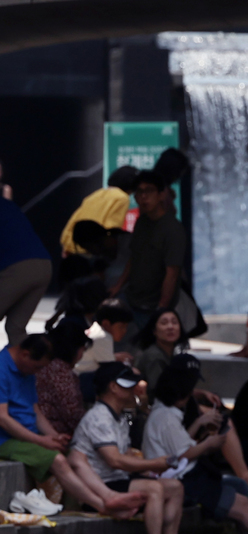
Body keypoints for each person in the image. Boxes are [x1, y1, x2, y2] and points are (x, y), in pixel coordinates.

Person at [0, 335, 143, 516]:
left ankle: (108, 495)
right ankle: (102, 505)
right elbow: (3, 418)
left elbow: (34, 411)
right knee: (57, 459)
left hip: (28, 434)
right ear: (25, 354)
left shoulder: (27, 371)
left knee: (75, 455)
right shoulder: (2, 368)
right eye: (38, 367)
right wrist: (41, 441)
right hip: (5, 439)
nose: (38, 372)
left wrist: (53, 436)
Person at [142, 367, 248, 534]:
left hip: (186, 473)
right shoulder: (166, 417)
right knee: (241, 504)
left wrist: (199, 423)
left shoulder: (165, 413)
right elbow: (182, 455)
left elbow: (178, 447)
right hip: (184, 478)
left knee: (240, 489)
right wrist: (209, 444)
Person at [70, 362, 185, 534]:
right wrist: (155, 463)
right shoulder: (99, 417)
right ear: (114, 387)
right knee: (153, 488)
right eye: (129, 384)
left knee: (175, 488)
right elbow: (114, 460)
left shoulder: (119, 417)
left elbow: (127, 453)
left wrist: (149, 468)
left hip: (119, 479)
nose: (135, 389)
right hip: (102, 484)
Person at [110, 170, 183, 343]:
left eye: (149, 191)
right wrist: (118, 285)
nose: (144, 197)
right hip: (133, 297)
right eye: (139, 192)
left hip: (153, 304)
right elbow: (134, 257)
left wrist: (162, 308)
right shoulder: (142, 222)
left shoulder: (172, 229)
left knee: (150, 350)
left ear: (160, 195)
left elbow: (172, 272)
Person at [0, 192, 51, 347]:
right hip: (44, 265)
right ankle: (27, 371)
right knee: (16, 329)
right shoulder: (7, 204)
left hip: (17, 268)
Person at [59, 166, 137, 257]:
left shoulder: (96, 194)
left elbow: (74, 220)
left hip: (74, 247)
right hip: (92, 251)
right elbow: (113, 227)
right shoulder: (122, 197)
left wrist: (67, 247)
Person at [35, 317, 90, 437]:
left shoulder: (45, 364)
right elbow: (72, 414)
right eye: (82, 349)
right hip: (53, 433)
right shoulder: (61, 373)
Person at [133, 307, 188, 391]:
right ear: (154, 330)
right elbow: (162, 392)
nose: (170, 327)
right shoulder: (154, 356)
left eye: (174, 322)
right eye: (164, 323)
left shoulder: (173, 354)